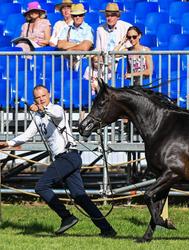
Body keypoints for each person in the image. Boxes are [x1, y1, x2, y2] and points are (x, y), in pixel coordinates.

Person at [0, 85, 116, 237]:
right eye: (37, 98)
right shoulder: (37, 117)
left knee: (41, 187)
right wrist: (8, 144)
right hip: (66, 159)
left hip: (68, 156)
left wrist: (41, 109)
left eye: (43, 96)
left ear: (48, 95)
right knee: (79, 196)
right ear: (34, 99)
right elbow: (27, 135)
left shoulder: (57, 109)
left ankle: (67, 217)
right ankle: (107, 229)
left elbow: (56, 116)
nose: (41, 99)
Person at [57, 3, 94, 70]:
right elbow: (60, 44)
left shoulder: (88, 29)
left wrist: (70, 49)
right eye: (75, 15)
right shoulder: (66, 28)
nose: (77, 17)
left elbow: (85, 47)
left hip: (82, 60)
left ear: (84, 16)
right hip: (68, 59)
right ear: (72, 16)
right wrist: (79, 45)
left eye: (80, 15)